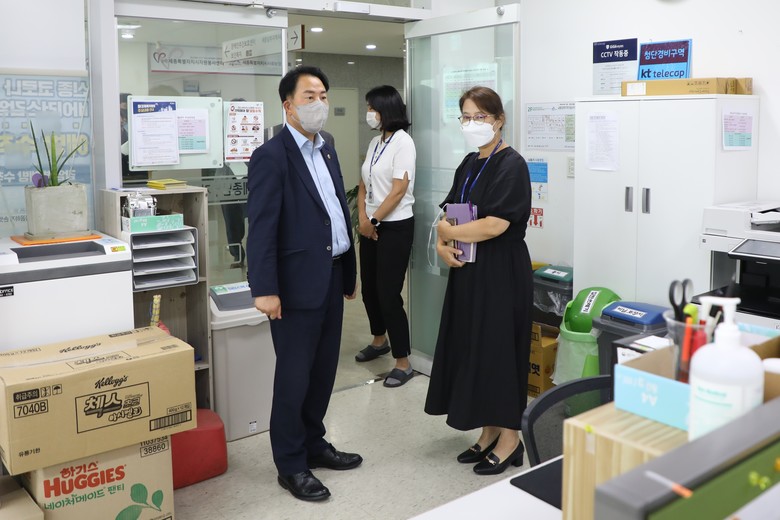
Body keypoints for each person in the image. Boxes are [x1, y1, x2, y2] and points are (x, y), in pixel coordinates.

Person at [246, 66, 362, 502]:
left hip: (330, 276)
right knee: (294, 377)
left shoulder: (326, 146)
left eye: (323, 95)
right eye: (309, 96)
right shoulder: (271, 156)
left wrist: (348, 271)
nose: (319, 103)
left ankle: (314, 442)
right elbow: (261, 228)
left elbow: (334, 211)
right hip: (293, 286)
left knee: (323, 372)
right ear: (288, 105)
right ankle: (291, 463)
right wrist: (265, 288)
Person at [424, 86, 533, 476]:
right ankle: (489, 430)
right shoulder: (469, 163)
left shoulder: (512, 165)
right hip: (468, 269)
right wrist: (442, 243)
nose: (472, 124)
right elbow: (450, 212)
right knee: (475, 348)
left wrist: (448, 233)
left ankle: (510, 439)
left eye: (480, 117)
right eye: (466, 117)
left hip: (501, 271)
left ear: (499, 120)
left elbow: (495, 225)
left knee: (500, 351)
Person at [353, 85, 417, 388]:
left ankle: (403, 362)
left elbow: (398, 190)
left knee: (388, 293)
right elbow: (363, 184)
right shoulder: (376, 141)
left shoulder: (403, 142)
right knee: (369, 289)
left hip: (395, 226)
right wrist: (364, 219)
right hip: (370, 224)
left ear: (385, 109)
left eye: (372, 108)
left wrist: (374, 220)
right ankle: (379, 340)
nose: (369, 113)